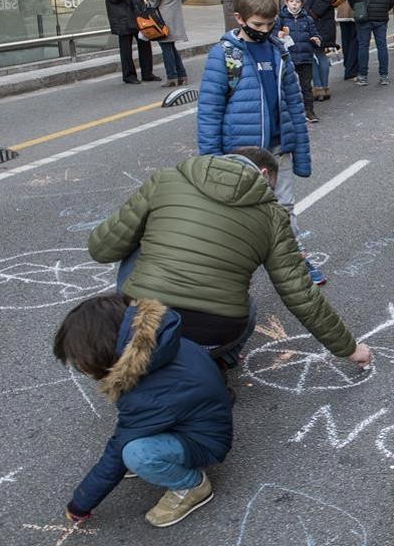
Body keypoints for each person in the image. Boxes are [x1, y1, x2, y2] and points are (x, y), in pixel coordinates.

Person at [89, 148, 373, 377]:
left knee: (137, 245)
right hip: (214, 328)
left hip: (141, 315)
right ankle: (218, 358)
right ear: (263, 174)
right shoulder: (273, 215)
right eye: (272, 187)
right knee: (246, 306)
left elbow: (102, 249)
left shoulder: (166, 179)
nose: (272, 195)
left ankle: (130, 334)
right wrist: (349, 349)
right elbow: (300, 293)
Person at [57, 295, 232, 528]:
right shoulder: (158, 343)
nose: (81, 369)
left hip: (204, 440)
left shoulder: (149, 395)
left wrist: (81, 503)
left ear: (104, 349)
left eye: (81, 363)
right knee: (132, 442)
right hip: (196, 419)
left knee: (135, 454)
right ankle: (166, 453)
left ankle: (191, 485)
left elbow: (117, 451)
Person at [196, 0, 327, 286]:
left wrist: (302, 154)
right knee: (237, 216)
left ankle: (295, 261)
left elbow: (295, 103)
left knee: (284, 211)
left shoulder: (279, 52)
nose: (265, 30)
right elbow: (210, 113)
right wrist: (210, 164)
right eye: (258, 24)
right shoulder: (225, 56)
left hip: (278, 151)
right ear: (240, 19)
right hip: (240, 158)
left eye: (271, 24)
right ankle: (229, 274)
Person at [147, 0, 191, 87]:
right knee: (170, 46)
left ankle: (172, 77)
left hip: (162, 17)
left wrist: (148, 8)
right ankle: (182, 75)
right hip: (176, 14)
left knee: (166, 46)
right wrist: (176, 3)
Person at [277, 0, 322, 123]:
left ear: (302, 4)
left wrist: (316, 39)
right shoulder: (281, 18)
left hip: (305, 58)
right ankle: (289, 112)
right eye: (291, 1)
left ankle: (310, 111)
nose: (294, 4)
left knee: (306, 86)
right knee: (288, 86)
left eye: (297, 1)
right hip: (288, 58)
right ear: (286, 2)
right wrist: (279, 35)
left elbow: (315, 33)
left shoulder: (307, 19)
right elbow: (274, 35)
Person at [300, 0, 338, 101]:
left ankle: (319, 87)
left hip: (318, 19)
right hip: (323, 18)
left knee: (316, 53)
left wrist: (312, 14)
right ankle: (323, 87)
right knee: (319, 53)